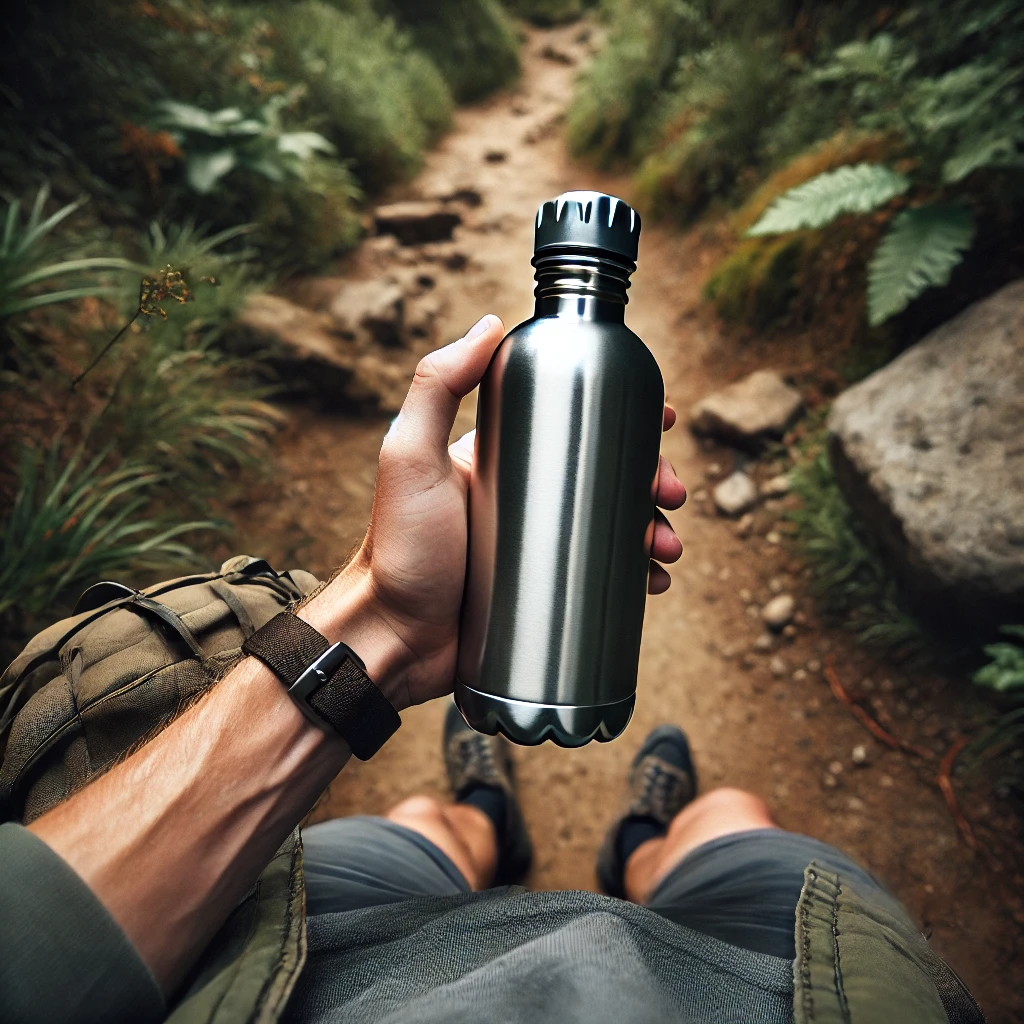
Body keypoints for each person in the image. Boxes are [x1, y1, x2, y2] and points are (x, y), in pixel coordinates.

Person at [0, 315, 982, 1024]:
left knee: (415, 825)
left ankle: (482, 823)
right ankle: (644, 842)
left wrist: (385, 618)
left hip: (309, 969)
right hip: (797, 989)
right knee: (738, 820)